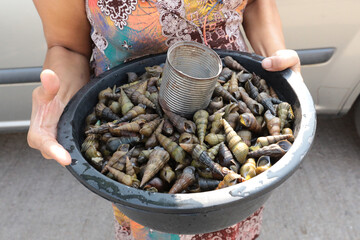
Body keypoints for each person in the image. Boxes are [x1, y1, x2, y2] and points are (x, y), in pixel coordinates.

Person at [28, 0, 301, 239]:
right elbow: (67, 46)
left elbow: (254, 3)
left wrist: (276, 60)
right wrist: (58, 98)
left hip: (236, 103)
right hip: (136, 153)